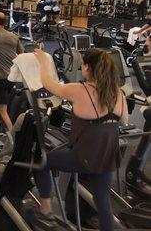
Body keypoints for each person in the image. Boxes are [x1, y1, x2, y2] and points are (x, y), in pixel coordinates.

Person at [32, 48, 128, 231]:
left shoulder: (79, 90)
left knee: (42, 160)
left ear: (87, 68)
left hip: (84, 158)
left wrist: (44, 60)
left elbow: (48, 83)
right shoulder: (119, 94)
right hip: (107, 158)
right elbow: (124, 120)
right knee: (102, 202)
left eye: (83, 63)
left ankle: (45, 209)